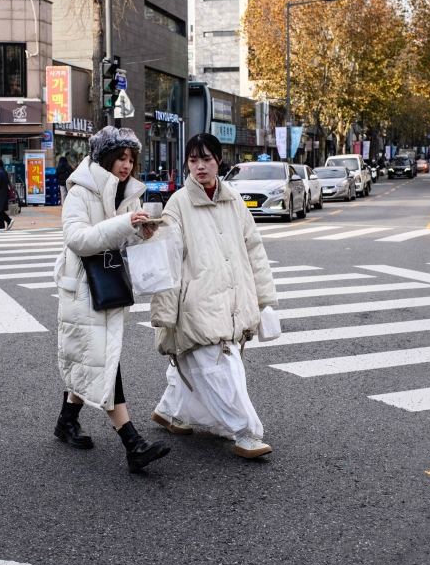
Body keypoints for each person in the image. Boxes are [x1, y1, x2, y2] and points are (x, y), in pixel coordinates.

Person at [150, 132, 278, 459]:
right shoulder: (178, 203)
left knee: (197, 364)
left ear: (219, 160)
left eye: (206, 159)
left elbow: (254, 251)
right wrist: (165, 316)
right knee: (220, 368)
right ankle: (245, 432)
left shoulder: (234, 199)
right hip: (198, 303)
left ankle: (168, 411)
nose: (200, 166)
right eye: (193, 160)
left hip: (233, 299)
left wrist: (264, 301)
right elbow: (166, 258)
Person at [53, 126, 170, 473]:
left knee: (95, 358)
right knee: (104, 359)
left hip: (110, 287)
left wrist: (141, 233)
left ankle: (66, 420)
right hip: (84, 290)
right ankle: (132, 442)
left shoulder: (127, 193)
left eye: (131, 159)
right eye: (121, 157)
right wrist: (123, 224)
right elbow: (78, 239)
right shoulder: (80, 192)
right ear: (105, 158)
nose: (127, 165)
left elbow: (122, 243)